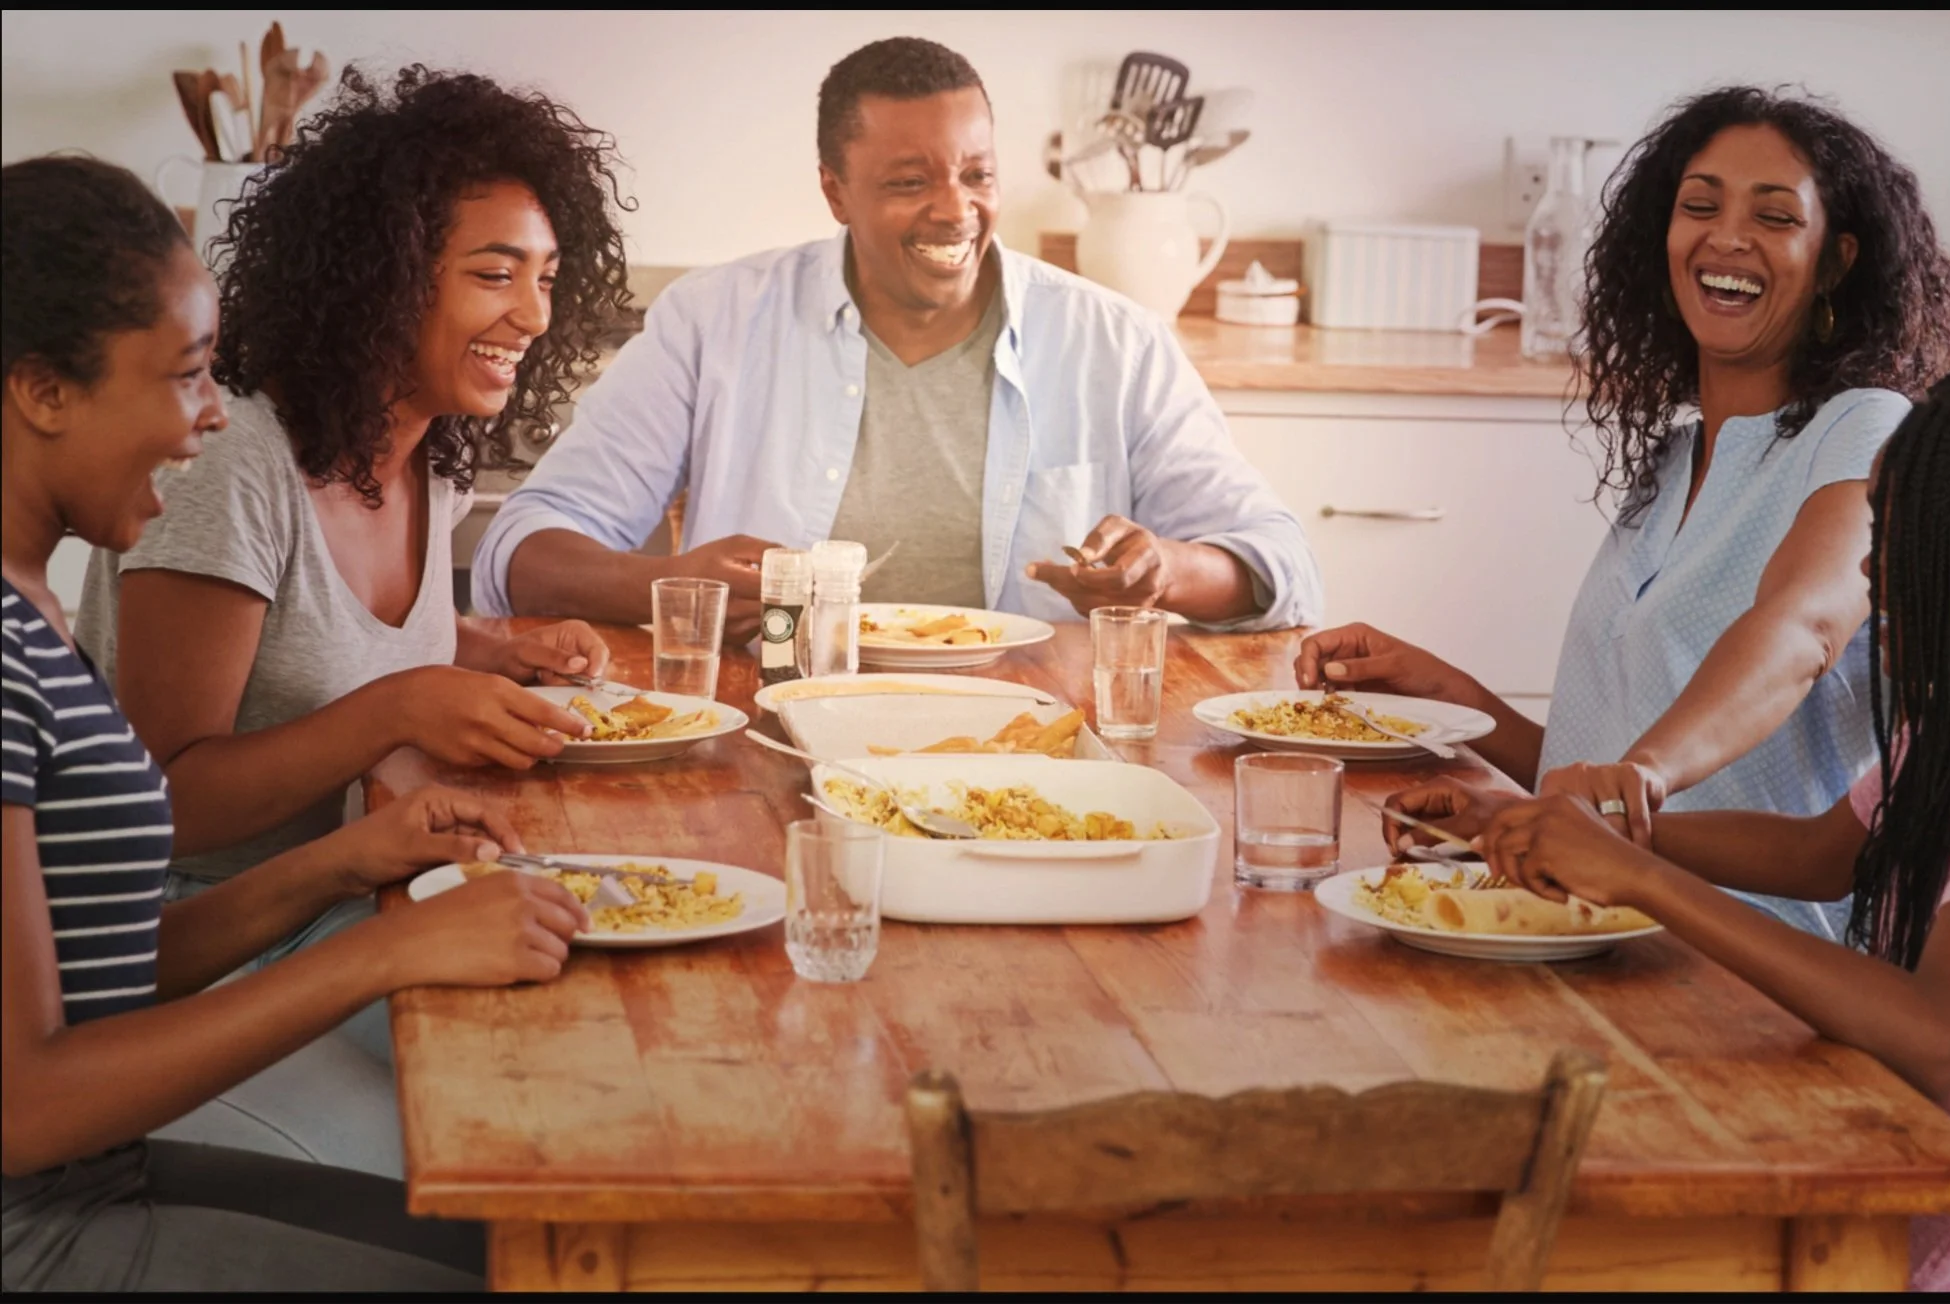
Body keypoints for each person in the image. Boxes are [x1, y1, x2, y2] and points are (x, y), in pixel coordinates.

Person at [2, 154, 589, 1292]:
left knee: (538, 1256)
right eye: (184, 375)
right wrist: (384, 946)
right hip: (36, 1224)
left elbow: (101, 971)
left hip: (91, 1176)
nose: (211, 415)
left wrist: (343, 863)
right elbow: (23, 1105)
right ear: (43, 390)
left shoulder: (29, 604)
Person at [1297, 86, 1950, 937]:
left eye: (1774, 217)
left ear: (1835, 261)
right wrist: (1449, 695)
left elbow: (1803, 631)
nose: (1727, 236)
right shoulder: (1674, 460)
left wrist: (1643, 773)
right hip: (1600, 927)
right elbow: (1604, 778)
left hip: (1753, 959)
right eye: (1699, 206)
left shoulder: (1865, 428)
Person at [1471, 361, 1950, 1293]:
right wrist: (1581, 828)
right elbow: (1820, 854)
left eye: (1894, 540)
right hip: (1897, 1180)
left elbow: (1941, 1031)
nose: (1869, 570)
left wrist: (1643, 878)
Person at [470, 36, 1321, 640]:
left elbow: (1281, 565)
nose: (955, 209)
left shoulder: (1115, 342)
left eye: (978, 174)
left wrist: (1165, 570)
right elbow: (522, 547)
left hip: (1039, 741)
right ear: (835, 192)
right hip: (781, 725)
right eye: (910, 182)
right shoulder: (715, 319)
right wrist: (666, 584)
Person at [77, 66, 634, 907]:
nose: (536, 315)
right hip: (195, 930)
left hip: (362, 886)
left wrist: (499, 651)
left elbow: (324, 638)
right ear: (386, 277)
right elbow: (168, 805)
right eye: (496, 274)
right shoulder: (232, 463)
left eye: (547, 277)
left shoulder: (427, 441)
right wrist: (399, 708)